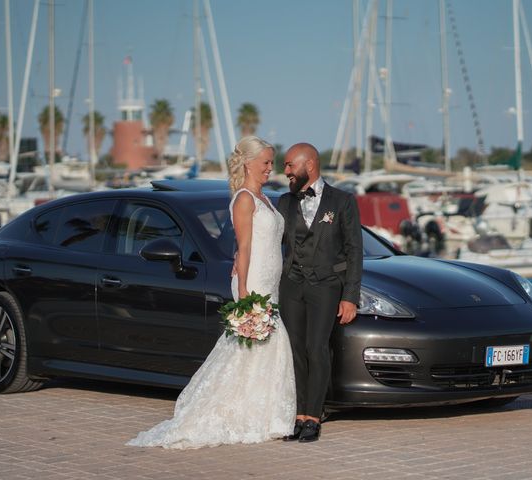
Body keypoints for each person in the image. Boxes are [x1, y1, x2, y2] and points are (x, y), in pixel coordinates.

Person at [127, 136, 296, 449]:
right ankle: (258, 416)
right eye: (265, 163)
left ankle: (262, 414)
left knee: (261, 348)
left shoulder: (264, 198)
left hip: (270, 281)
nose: (269, 168)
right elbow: (244, 247)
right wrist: (244, 293)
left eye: (271, 163)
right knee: (262, 343)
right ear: (248, 163)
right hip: (254, 280)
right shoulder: (245, 198)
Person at [277, 143, 363, 442]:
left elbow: (355, 250)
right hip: (291, 285)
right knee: (296, 351)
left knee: (317, 348)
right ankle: (299, 416)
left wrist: (350, 296)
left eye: (290, 165)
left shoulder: (342, 201)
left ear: (309, 165)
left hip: (327, 286)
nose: (285, 171)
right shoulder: (283, 203)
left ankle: (314, 416)